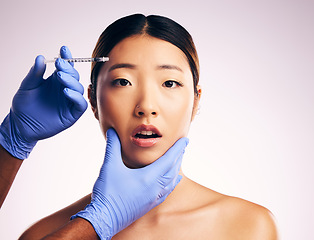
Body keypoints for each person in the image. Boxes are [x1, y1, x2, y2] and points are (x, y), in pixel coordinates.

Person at [17, 13, 278, 239]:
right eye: (123, 82)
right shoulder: (43, 235)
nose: (146, 106)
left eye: (169, 83)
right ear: (92, 100)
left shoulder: (248, 227)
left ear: (196, 100)